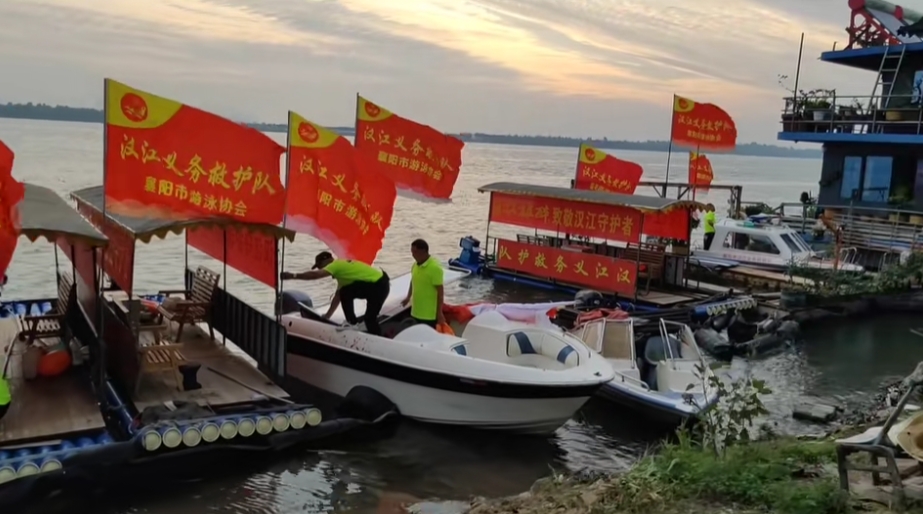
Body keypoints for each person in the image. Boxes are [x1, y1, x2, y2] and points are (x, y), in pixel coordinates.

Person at [280, 251, 390, 336]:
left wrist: (293, 276)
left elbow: (315, 275)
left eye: (320, 265)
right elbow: (338, 297)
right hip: (382, 284)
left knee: (345, 292)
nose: (320, 268)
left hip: (377, 285)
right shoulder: (343, 273)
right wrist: (327, 316)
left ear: (328, 260)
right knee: (370, 320)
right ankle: (378, 340)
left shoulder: (336, 264)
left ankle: (351, 323)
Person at [400, 239, 445, 328]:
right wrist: (408, 297)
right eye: (411, 252)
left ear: (423, 251)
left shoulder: (434, 268)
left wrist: (439, 313)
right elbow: (413, 281)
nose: (412, 255)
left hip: (429, 315)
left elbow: (440, 293)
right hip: (415, 312)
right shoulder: (415, 265)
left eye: (415, 252)